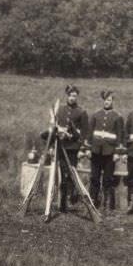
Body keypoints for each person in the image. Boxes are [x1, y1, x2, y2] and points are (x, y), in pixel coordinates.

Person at [42, 85, 89, 213]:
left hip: (72, 148)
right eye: (70, 95)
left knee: (71, 174)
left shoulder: (81, 112)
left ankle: (71, 198)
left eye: (74, 96)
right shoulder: (60, 111)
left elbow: (85, 133)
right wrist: (51, 146)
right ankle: (62, 203)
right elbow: (53, 130)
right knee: (61, 175)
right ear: (67, 96)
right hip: (60, 146)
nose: (72, 98)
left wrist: (81, 149)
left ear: (77, 97)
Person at [88, 89, 124, 212]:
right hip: (96, 151)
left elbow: (120, 136)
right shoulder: (95, 115)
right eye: (105, 100)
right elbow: (89, 134)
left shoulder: (117, 117)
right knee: (94, 177)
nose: (107, 102)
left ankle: (107, 204)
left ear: (113, 101)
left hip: (110, 152)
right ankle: (93, 202)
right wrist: (88, 149)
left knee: (108, 179)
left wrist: (117, 153)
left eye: (109, 100)